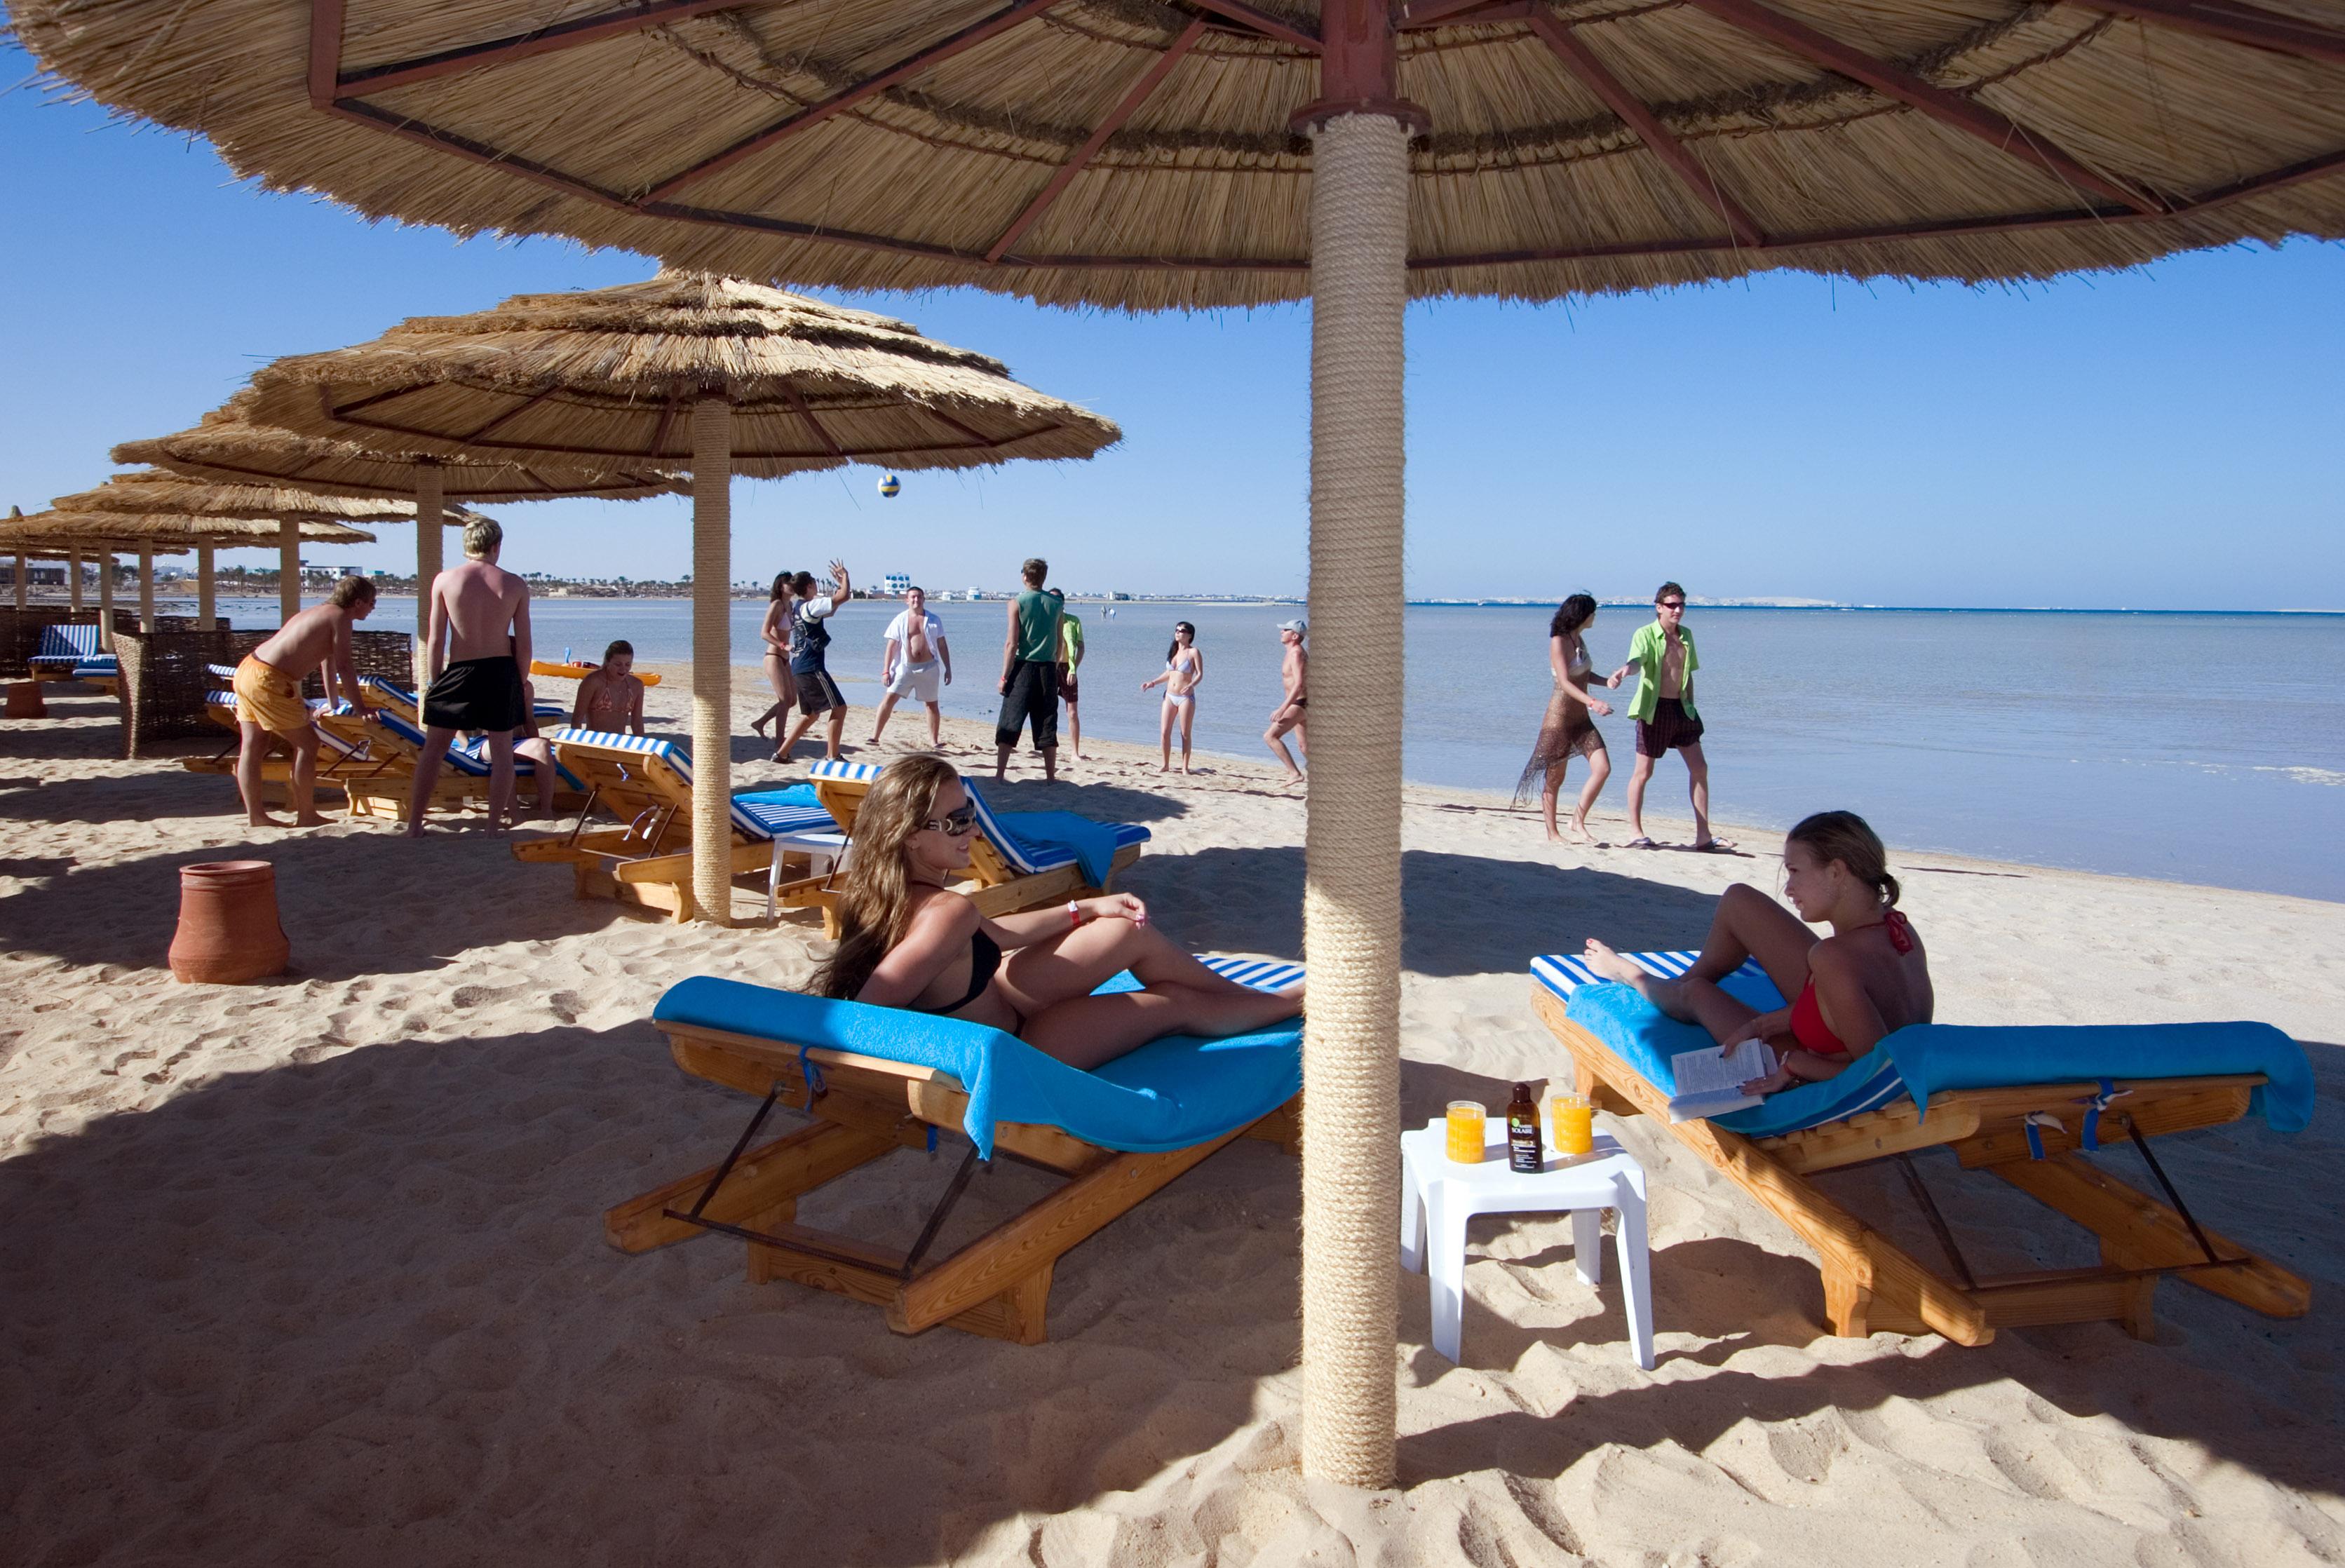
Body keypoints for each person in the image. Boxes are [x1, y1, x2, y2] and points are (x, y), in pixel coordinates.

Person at [809, 755, 1302, 1069]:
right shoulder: (945, 912)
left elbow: (996, 936)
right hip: (1018, 1047)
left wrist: (1084, 908)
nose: (974, 833)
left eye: (972, 816)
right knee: (1175, 1003)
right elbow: (863, 1015)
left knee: (1125, 926)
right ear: (911, 835)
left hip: (1002, 994)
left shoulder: (877, 895)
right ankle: (1282, 1005)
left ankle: (1249, 999)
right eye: (958, 822)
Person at [1581, 811, 1931, 1094]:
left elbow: (1878, 1072)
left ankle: (1630, 975)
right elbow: (1861, 1009)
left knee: (1698, 993)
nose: (1788, 888)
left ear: (1837, 871)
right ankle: (1676, 989)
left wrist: (1796, 1064)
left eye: (1794, 872)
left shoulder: (1833, 957)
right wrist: (1767, 1022)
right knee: (1739, 900)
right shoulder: (1899, 929)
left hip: (1827, 1067)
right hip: (1849, 1041)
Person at [407, 518, 532, 836]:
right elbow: (525, 643)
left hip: (460, 669)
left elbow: (435, 639)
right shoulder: (514, 584)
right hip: (500, 670)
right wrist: (520, 680)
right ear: (496, 546)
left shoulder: (445, 580)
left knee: (434, 750)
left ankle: (414, 824)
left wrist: (436, 681)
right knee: (502, 752)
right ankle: (492, 827)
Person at [231, 574, 379, 828]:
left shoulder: (317, 613)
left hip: (248, 669)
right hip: (270, 679)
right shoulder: (341, 618)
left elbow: (328, 661)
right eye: (372, 602)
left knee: (253, 746)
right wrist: (360, 707)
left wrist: (333, 703)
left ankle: (256, 816)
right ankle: (306, 814)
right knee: (309, 744)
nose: (373, 608)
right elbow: (345, 665)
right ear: (357, 602)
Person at [1609, 581, 1730, 852]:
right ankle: (1636, 831)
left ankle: (1703, 836)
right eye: (1672, 605)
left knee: (1700, 768)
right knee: (1644, 772)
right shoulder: (1645, 634)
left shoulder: (1686, 635)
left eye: (1681, 605)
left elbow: (1688, 676)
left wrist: (1692, 710)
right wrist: (1622, 672)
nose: (1678, 610)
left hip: (1683, 709)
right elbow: (1637, 661)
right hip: (1655, 709)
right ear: (1659, 607)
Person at [1515, 594, 1614, 845]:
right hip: (1559, 718)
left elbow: (1584, 674)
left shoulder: (1579, 638)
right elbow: (1565, 682)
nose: (1595, 617)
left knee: (1603, 769)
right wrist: (1593, 702)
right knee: (1555, 778)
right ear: (1582, 615)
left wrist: (1607, 682)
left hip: (1580, 719)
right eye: (1593, 612)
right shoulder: (1558, 641)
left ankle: (1577, 820)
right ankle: (1553, 833)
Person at [778, 559, 852, 762]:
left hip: (799, 667)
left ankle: (782, 753)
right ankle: (832, 755)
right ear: (810, 586)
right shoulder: (811, 606)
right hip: (812, 668)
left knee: (810, 715)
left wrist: (839, 585)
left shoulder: (799, 608)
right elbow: (843, 597)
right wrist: (845, 576)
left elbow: (833, 608)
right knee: (839, 708)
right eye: (815, 583)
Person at [995, 557, 1062, 782]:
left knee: (1010, 720)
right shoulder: (1056, 604)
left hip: (1024, 666)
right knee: (1046, 721)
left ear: (1025, 576)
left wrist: (1005, 675)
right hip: (1048, 668)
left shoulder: (1016, 602)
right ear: (1043, 577)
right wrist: (1055, 666)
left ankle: (1000, 773)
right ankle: (1050, 776)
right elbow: (1059, 642)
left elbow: (1011, 644)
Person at [870, 585, 951, 748]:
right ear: (907, 600)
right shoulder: (900, 620)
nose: (916, 600)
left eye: (919, 597)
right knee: (889, 698)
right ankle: (875, 736)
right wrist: (886, 670)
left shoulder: (934, 620)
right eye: (913, 597)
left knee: (931, 704)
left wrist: (948, 668)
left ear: (923, 599)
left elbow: (942, 645)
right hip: (905, 667)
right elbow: (891, 646)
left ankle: (934, 741)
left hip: (929, 668)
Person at [1140, 620, 1203, 774]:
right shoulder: (1174, 651)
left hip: (1185, 698)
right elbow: (1169, 673)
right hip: (1169, 696)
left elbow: (1200, 674)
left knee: (1185, 733)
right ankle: (1165, 764)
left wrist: (1192, 685)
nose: (1178, 632)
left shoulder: (1193, 652)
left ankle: (1185, 767)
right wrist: (1153, 683)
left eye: (1181, 631)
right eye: (1176, 630)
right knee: (1164, 732)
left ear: (1189, 635)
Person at [750, 574, 799, 743]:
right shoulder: (776, 605)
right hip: (774, 656)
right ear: (780, 586)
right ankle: (780, 743)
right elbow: (764, 633)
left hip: (785, 658)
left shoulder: (791, 605)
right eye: (788, 583)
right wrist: (783, 645)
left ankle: (760, 723)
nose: (791, 586)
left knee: (792, 700)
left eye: (793, 583)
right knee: (785, 700)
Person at [1263, 618, 1308, 785]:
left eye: (1286, 630)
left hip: (1300, 703)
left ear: (1295, 636)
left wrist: (1282, 708)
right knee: (1304, 747)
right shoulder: (1292, 652)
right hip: (1303, 703)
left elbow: (1299, 684)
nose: (1282, 632)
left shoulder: (1296, 653)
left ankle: (1294, 773)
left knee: (1270, 736)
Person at [572, 640, 644, 736]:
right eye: (618, 664)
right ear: (608, 662)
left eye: (628, 664)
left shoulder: (636, 685)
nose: (623, 669)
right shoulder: (593, 681)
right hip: (594, 741)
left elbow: (637, 722)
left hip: (619, 741)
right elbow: (577, 718)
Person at [1054, 589, 1086, 760]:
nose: (1055, 602)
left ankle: (1075, 752)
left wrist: (1074, 669)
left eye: (1058, 599)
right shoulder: (1046, 621)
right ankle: (1049, 748)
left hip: (1068, 668)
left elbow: (1080, 647)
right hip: (1051, 666)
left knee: (1072, 712)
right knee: (1048, 710)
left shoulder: (1073, 621)